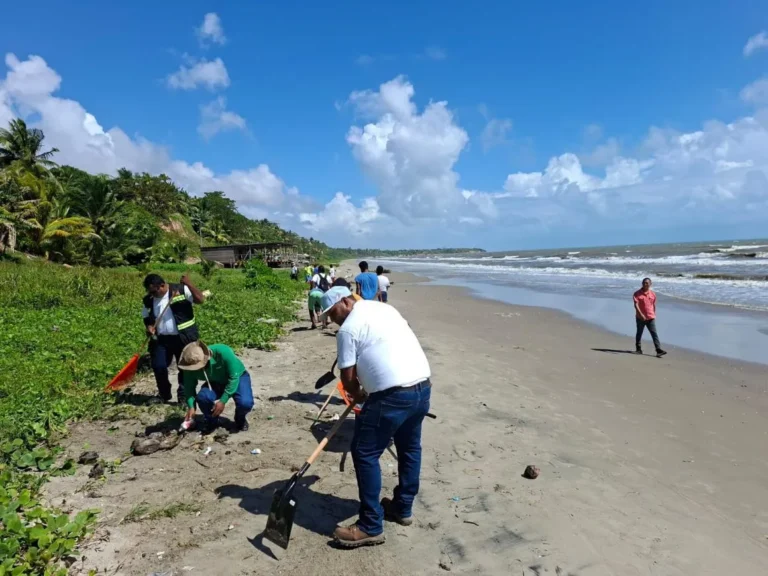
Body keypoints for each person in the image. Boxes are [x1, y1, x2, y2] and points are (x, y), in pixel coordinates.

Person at [320, 286, 432, 548]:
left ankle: (370, 525)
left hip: (391, 396)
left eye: (333, 312)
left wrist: (357, 393)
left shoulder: (347, 330)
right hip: (421, 387)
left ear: (346, 301)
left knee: (364, 453)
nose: (332, 319)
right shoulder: (384, 308)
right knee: (409, 448)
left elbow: (347, 378)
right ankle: (402, 508)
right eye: (327, 315)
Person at [142, 273, 205, 404]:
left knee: (184, 368)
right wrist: (149, 327)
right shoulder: (148, 299)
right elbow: (146, 317)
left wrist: (189, 284)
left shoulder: (180, 290)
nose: (152, 295)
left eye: (154, 291)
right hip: (161, 340)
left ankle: (183, 396)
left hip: (184, 337)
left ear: (162, 285)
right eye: (150, 292)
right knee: (158, 366)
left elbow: (200, 300)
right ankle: (164, 394)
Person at [178, 341, 254, 432]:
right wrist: (191, 407)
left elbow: (234, 377)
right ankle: (212, 420)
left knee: (245, 403)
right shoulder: (189, 364)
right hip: (214, 381)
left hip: (238, 377)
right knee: (203, 398)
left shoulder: (223, 352)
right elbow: (189, 388)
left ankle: (240, 419)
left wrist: (223, 400)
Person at [634, 277, 667, 358]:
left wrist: (654, 314)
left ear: (650, 284)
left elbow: (653, 305)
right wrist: (641, 314)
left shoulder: (653, 294)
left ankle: (658, 350)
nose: (645, 284)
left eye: (647, 283)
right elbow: (636, 305)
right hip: (640, 318)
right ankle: (638, 349)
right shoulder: (637, 293)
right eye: (644, 282)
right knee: (639, 333)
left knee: (654, 333)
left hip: (650, 317)